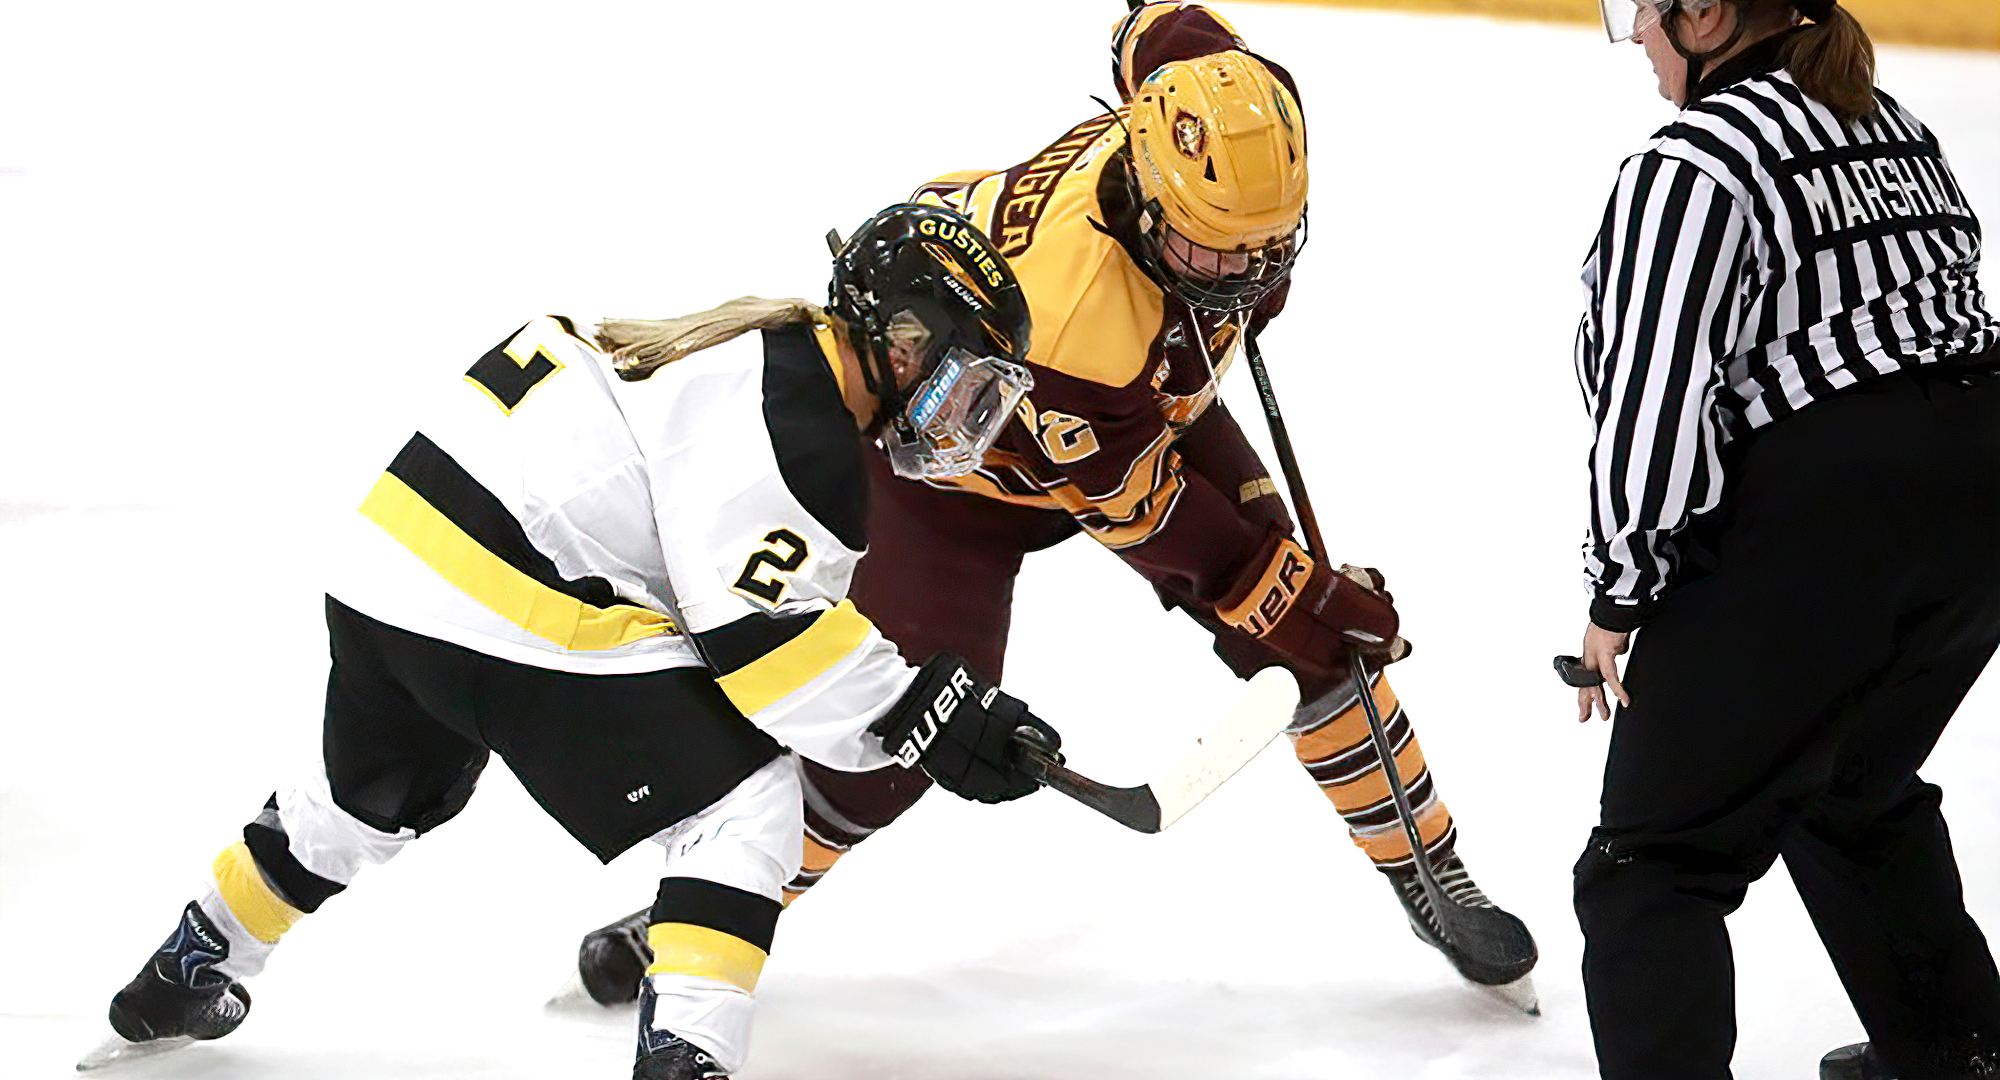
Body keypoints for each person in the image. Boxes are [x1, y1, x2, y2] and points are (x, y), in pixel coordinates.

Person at [577, 1, 1536, 1007]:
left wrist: (1292, 608)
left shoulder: (1213, 105)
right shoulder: (1073, 330)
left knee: (1304, 639)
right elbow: (1162, 521)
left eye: (1269, 240)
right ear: (1152, 205)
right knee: (886, 749)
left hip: (1131, 403)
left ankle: (1428, 864)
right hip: (951, 467)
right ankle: (700, 911)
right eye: (1217, 251)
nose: (1249, 270)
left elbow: (1154, 24)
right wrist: (1284, 587)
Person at [89, 203, 1071, 1080]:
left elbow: (715, 600)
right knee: (742, 811)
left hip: (387, 568)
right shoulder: (799, 422)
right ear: (902, 339)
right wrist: (923, 716)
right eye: (965, 383)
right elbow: (765, 650)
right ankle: (685, 1063)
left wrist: (912, 708)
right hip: (497, 591)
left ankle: (191, 963)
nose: (965, 418)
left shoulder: (740, 350)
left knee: (364, 800)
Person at [1567, 1, 2000, 1077]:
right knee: (1851, 789)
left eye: (1640, 11)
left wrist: (1619, 592)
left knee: (1649, 864)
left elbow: (1654, 403)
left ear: (1706, 13)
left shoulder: (1694, 163)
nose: (1632, 40)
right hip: (1980, 497)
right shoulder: (1890, 126)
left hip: (1833, 517)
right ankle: (1958, 1057)